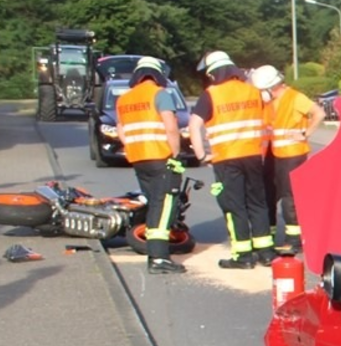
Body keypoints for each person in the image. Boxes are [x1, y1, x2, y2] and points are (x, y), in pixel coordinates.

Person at [188, 51, 275, 269]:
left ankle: (243, 256)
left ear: (213, 73)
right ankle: (265, 252)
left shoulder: (211, 94)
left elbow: (194, 125)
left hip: (226, 159)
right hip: (253, 155)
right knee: (257, 203)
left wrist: (201, 155)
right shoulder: (252, 91)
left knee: (235, 206)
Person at [116, 56, 187, 274]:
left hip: (138, 159)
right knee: (163, 207)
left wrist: (133, 147)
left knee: (153, 204)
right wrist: (175, 154)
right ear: (157, 75)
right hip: (160, 157)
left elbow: (121, 130)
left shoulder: (124, 99)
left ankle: (155, 254)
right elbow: (171, 127)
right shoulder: (160, 94)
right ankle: (158, 258)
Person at [249, 64, 325, 254]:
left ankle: (295, 239)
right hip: (276, 155)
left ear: (269, 87)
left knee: (289, 198)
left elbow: (319, 113)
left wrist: (305, 133)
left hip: (293, 155)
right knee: (272, 194)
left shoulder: (295, 98)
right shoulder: (271, 103)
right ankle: (270, 233)